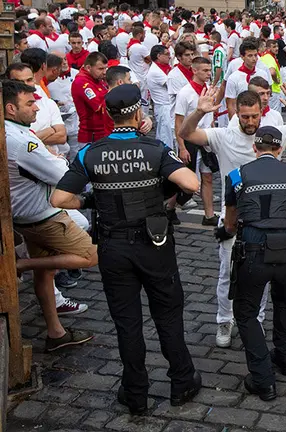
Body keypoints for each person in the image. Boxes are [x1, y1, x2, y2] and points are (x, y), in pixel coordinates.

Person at [50, 84, 202, 415]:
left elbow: (59, 199)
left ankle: (135, 392)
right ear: (137, 114)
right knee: (168, 312)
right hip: (154, 242)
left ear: (107, 114)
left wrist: (90, 199)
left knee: (127, 322)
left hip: (113, 244)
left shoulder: (90, 152)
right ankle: (182, 381)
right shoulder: (154, 148)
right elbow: (191, 183)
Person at [178, 84, 286, 348]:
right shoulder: (222, 135)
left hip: (264, 222)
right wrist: (198, 112)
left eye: (254, 116)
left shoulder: (271, 136)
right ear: (236, 114)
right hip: (233, 220)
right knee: (227, 274)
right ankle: (224, 321)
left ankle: (256, 320)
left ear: (262, 113)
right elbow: (186, 133)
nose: (250, 122)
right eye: (245, 117)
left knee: (260, 276)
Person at [7, 79, 95, 347]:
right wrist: (57, 159)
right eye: (30, 103)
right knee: (90, 255)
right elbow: (62, 175)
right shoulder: (21, 141)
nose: (36, 108)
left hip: (27, 213)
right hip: (42, 216)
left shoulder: (16, 131)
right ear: (11, 108)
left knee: (46, 275)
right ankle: (20, 265)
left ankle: (55, 334)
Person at [220, 123, 286, 402]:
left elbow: (230, 221)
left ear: (254, 148)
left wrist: (228, 231)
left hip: (254, 249)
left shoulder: (237, 175)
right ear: (280, 149)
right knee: (285, 301)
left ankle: (263, 379)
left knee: (245, 312)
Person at [174, 56, 218, 226]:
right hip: (189, 140)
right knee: (184, 181)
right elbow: (178, 122)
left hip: (205, 138)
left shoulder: (207, 90)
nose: (209, 74)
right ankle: (170, 207)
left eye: (209, 70)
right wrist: (182, 147)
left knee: (207, 177)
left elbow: (210, 117)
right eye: (205, 70)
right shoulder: (185, 93)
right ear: (194, 70)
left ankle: (209, 215)